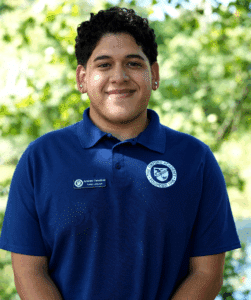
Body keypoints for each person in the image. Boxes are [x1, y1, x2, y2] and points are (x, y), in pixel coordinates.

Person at [0, 6, 241, 300]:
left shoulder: (195, 159)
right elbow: (29, 271)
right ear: (82, 78)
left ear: (154, 74)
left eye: (133, 63)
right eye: (104, 65)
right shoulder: (40, 159)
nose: (119, 76)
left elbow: (207, 273)